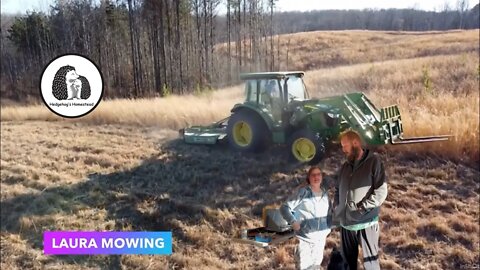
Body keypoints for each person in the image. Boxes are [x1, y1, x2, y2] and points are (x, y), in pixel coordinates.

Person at [333, 130, 388, 270]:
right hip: (346, 225)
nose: (343, 149)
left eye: (345, 145)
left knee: (371, 264)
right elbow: (338, 189)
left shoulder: (373, 162)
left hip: (366, 223)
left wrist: (363, 208)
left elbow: (381, 191)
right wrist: (337, 207)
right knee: (347, 264)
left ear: (356, 143)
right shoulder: (345, 166)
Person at [280, 166, 333, 270]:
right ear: (309, 177)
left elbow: (329, 213)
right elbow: (284, 208)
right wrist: (293, 222)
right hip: (305, 241)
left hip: (320, 241)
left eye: (318, 174)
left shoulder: (325, 195)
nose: (316, 177)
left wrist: (328, 229)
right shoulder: (303, 192)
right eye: (313, 175)